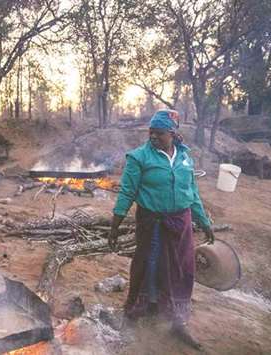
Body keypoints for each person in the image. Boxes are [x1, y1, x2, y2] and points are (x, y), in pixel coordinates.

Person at [108, 109, 215, 350]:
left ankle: (177, 321)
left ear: (173, 133)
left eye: (159, 133)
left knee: (180, 269)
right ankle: (138, 311)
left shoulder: (185, 158)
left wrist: (204, 221)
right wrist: (114, 226)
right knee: (149, 265)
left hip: (181, 223)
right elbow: (127, 192)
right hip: (153, 223)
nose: (153, 137)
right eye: (150, 133)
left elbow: (193, 193)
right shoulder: (139, 158)